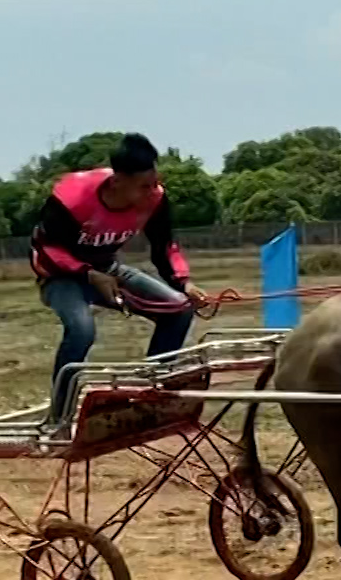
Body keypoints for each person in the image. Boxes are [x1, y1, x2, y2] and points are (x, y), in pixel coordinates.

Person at [29, 132, 208, 427]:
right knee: (82, 330)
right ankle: (59, 417)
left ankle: (152, 393)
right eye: (143, 186)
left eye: (154, 183)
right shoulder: (73, 197)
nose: (152, 191)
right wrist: (88, 274)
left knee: (179, 309)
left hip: (108, 269)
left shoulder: (155, 199)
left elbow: (164, 246)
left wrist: (184, 283)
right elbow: (47, 248)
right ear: (116, 182)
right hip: (60, 275)